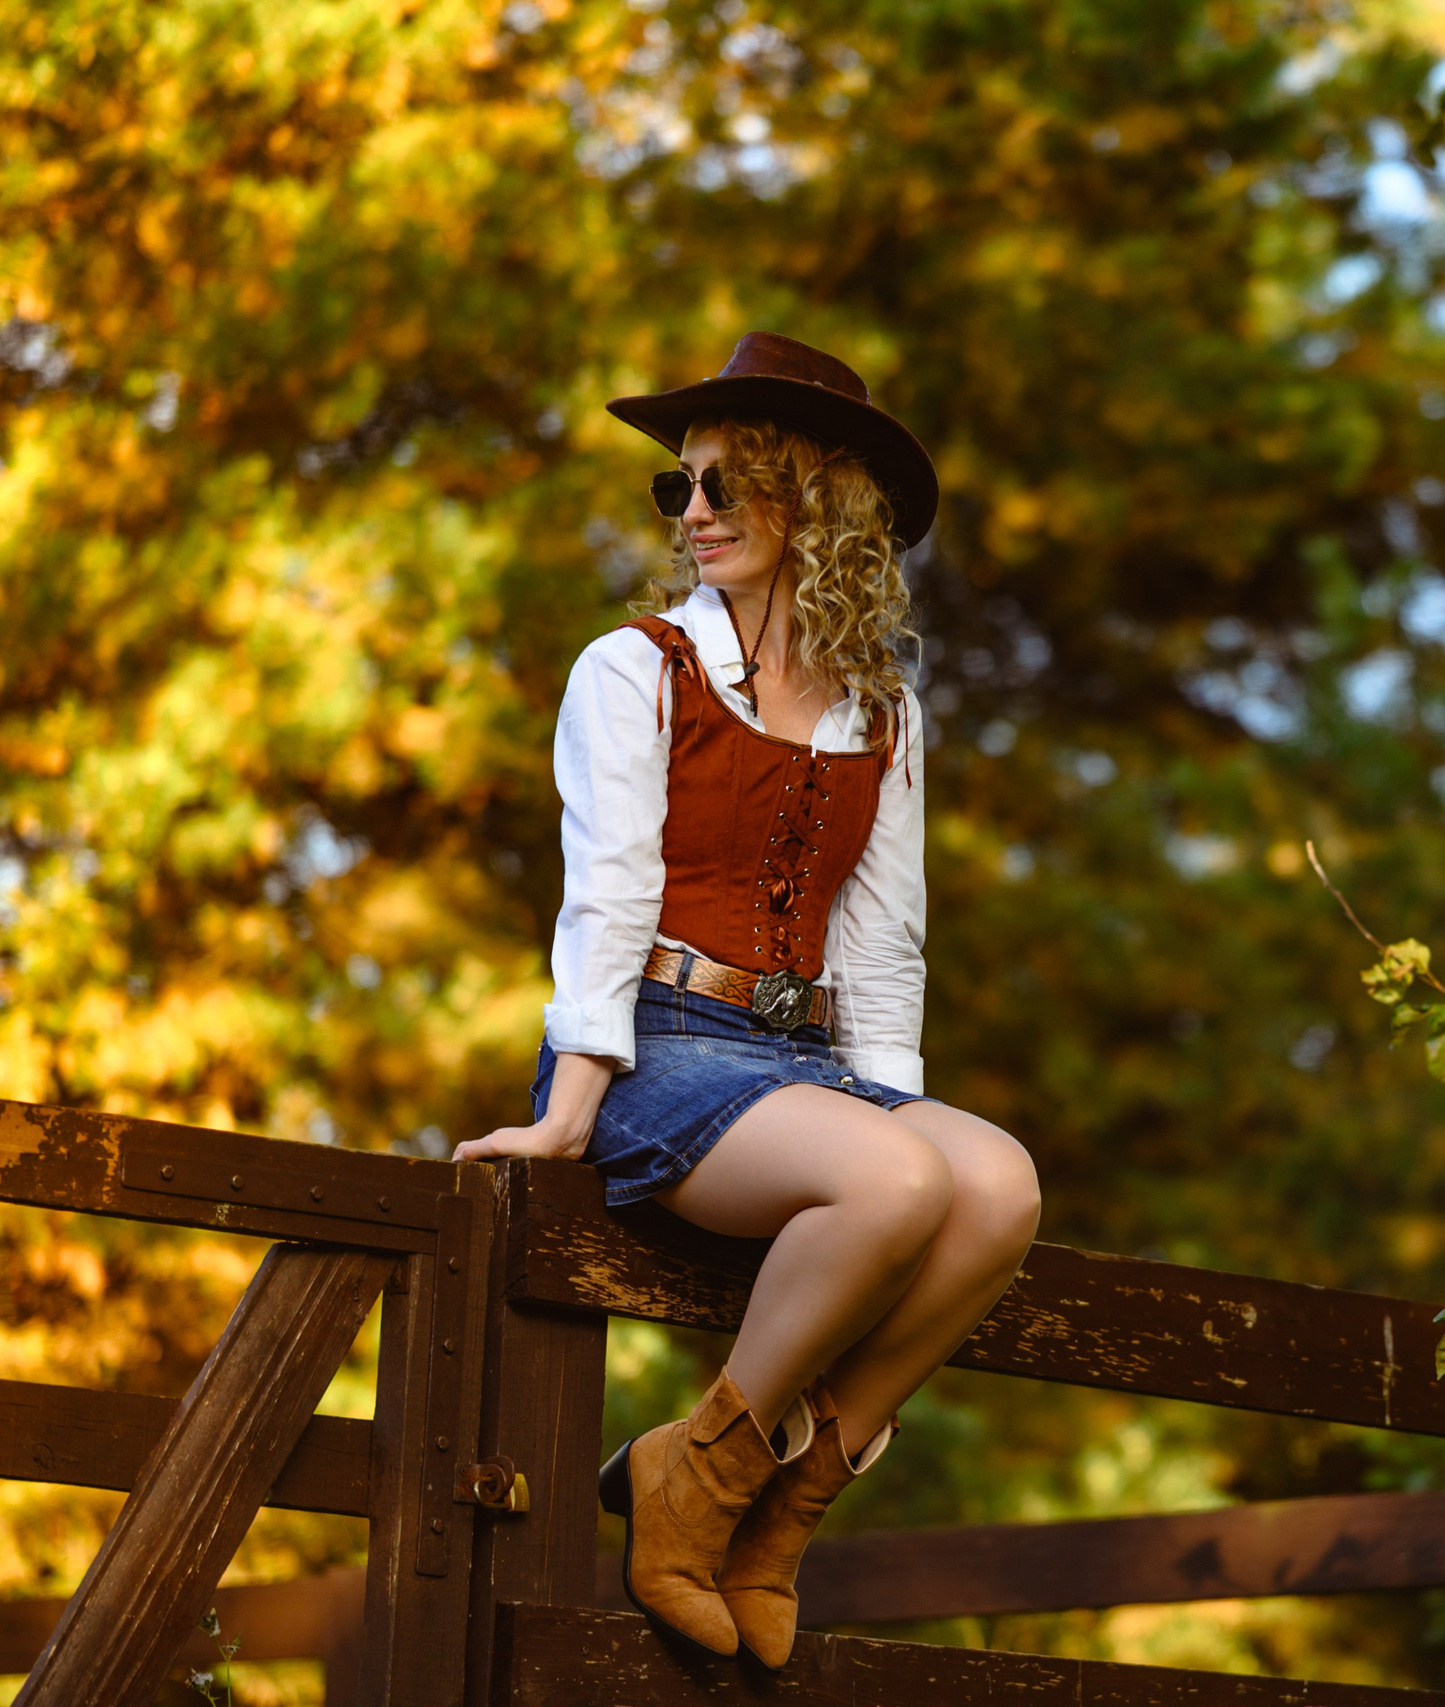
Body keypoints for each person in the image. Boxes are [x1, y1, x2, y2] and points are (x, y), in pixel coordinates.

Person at [456, 333, 1040, 1666]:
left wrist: (891, 1116)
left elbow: (886, 941)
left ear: (813, 500)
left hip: (808, 1067)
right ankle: (694, 1479)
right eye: (682, 489)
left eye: (727, 484)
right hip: (655, 1050)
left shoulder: (884, 710)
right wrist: (567, 1112)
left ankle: (783, 1517)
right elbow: (604, 897)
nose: (695, 512)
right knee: (894, 1184)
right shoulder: (635, 666)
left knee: (995, 1187)